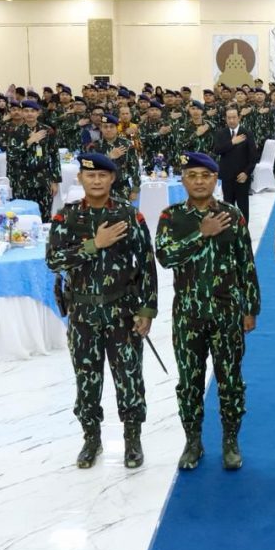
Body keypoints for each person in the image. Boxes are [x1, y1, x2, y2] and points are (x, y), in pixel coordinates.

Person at [46, 152, 158, 470]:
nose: (96, 180)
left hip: (122, 310)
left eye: (102, 176)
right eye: (90, 175)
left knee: (129, 378)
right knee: (87, 379)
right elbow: (53, 260)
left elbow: (147, 264)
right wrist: (94, 244)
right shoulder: (65, 218)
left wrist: (147, 310)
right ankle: (91, 438)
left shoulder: (129, 216)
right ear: (80, 178)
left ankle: (132, 439)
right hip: (83, 313)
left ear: (112, 179)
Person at [156, 152, 260, 470]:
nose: (199, 181)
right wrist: (201, 233)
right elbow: (165, 256)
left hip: (227, 312)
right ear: (183, 179)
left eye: (205, 175)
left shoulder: (232, 214)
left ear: (215, 179)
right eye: (192, 175)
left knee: (230, 380)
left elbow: (246, 263)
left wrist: (251, 307)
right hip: (188, 313)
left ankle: (230, 441)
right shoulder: (171, 217)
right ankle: (193, 441)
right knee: (189, 382)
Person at [9, 101, 60, 218]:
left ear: (38, 113)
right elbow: (11, 155)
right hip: (22, 179)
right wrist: (29, 141)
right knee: (23, 214)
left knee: (45, 214)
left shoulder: (48, 131)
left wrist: (55, 181)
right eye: (26, 111)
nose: (29, 114)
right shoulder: (15, 132)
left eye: (33, 111)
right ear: (22, 113)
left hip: (43, 177)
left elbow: (55, 155)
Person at [211, 108, 257, 221]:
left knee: (243, 207)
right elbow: (217, 150)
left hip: (242, 177)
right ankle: (230, 230)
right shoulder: (221, 133)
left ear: (239, 118)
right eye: (229, 118)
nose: (231, 120)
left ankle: (244, 230)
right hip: (227, 176)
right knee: (228, 206)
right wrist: (232, 142)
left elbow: (253, 157)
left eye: (234, 117)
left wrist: (246, 173)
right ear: (225, 119)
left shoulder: (247, 133)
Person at [85, 114, 140, 203]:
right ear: (101, 128)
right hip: (100, 189)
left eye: (111, 126)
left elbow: (135, 167)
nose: (108, 129)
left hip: (122, 189)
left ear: (117, 128)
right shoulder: (94, 146)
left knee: (123, 216)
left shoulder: (127, 144)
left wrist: (135, 189)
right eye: (105, 127)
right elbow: (89, 167)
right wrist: (108, 157)